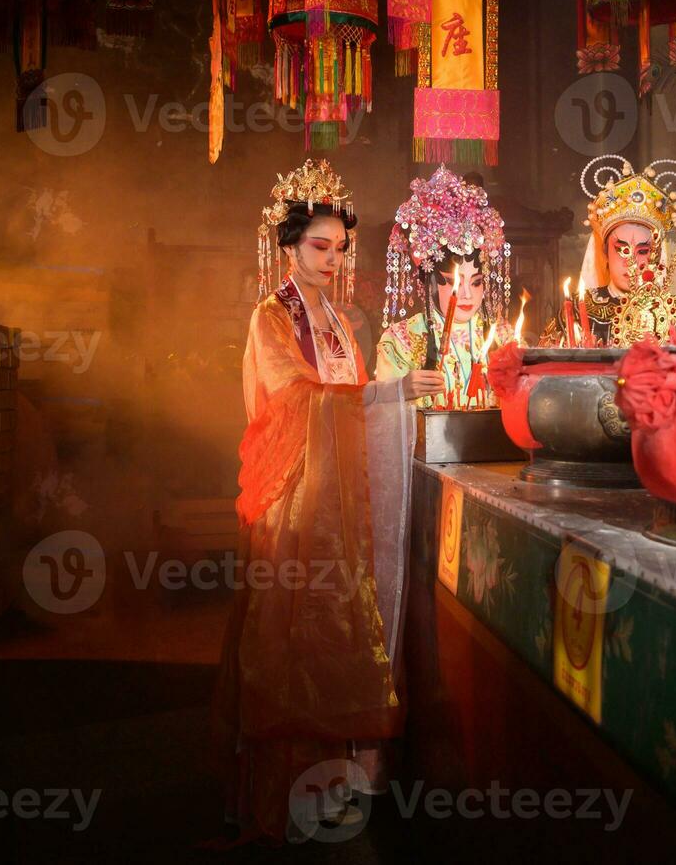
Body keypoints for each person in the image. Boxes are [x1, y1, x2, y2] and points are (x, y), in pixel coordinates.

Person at [209, 160, 437, 846]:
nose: (332, 260)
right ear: (288, 246)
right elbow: (292, 398)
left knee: (342, 627)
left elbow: (354, 403)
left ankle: (341, 786)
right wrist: (386, 395)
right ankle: (282, 798)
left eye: (340, 248)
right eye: (318, 246)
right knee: (293, 637)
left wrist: (388, 398)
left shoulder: (339, 321)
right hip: (295, 499)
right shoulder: (269, 318)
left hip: (341, 498)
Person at [375, 165, 511, 408]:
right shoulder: (401, 339)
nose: (467, 294)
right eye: (452, 282)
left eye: (477, 282)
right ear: (428, 282)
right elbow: (385, 418)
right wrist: (401, 391)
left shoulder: (502, 337)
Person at [569, 155, 676, 345]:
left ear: (656, 256)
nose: (631, 262)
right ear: (605, 253)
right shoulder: (577, 311)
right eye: (622, 250)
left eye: (642, 251)